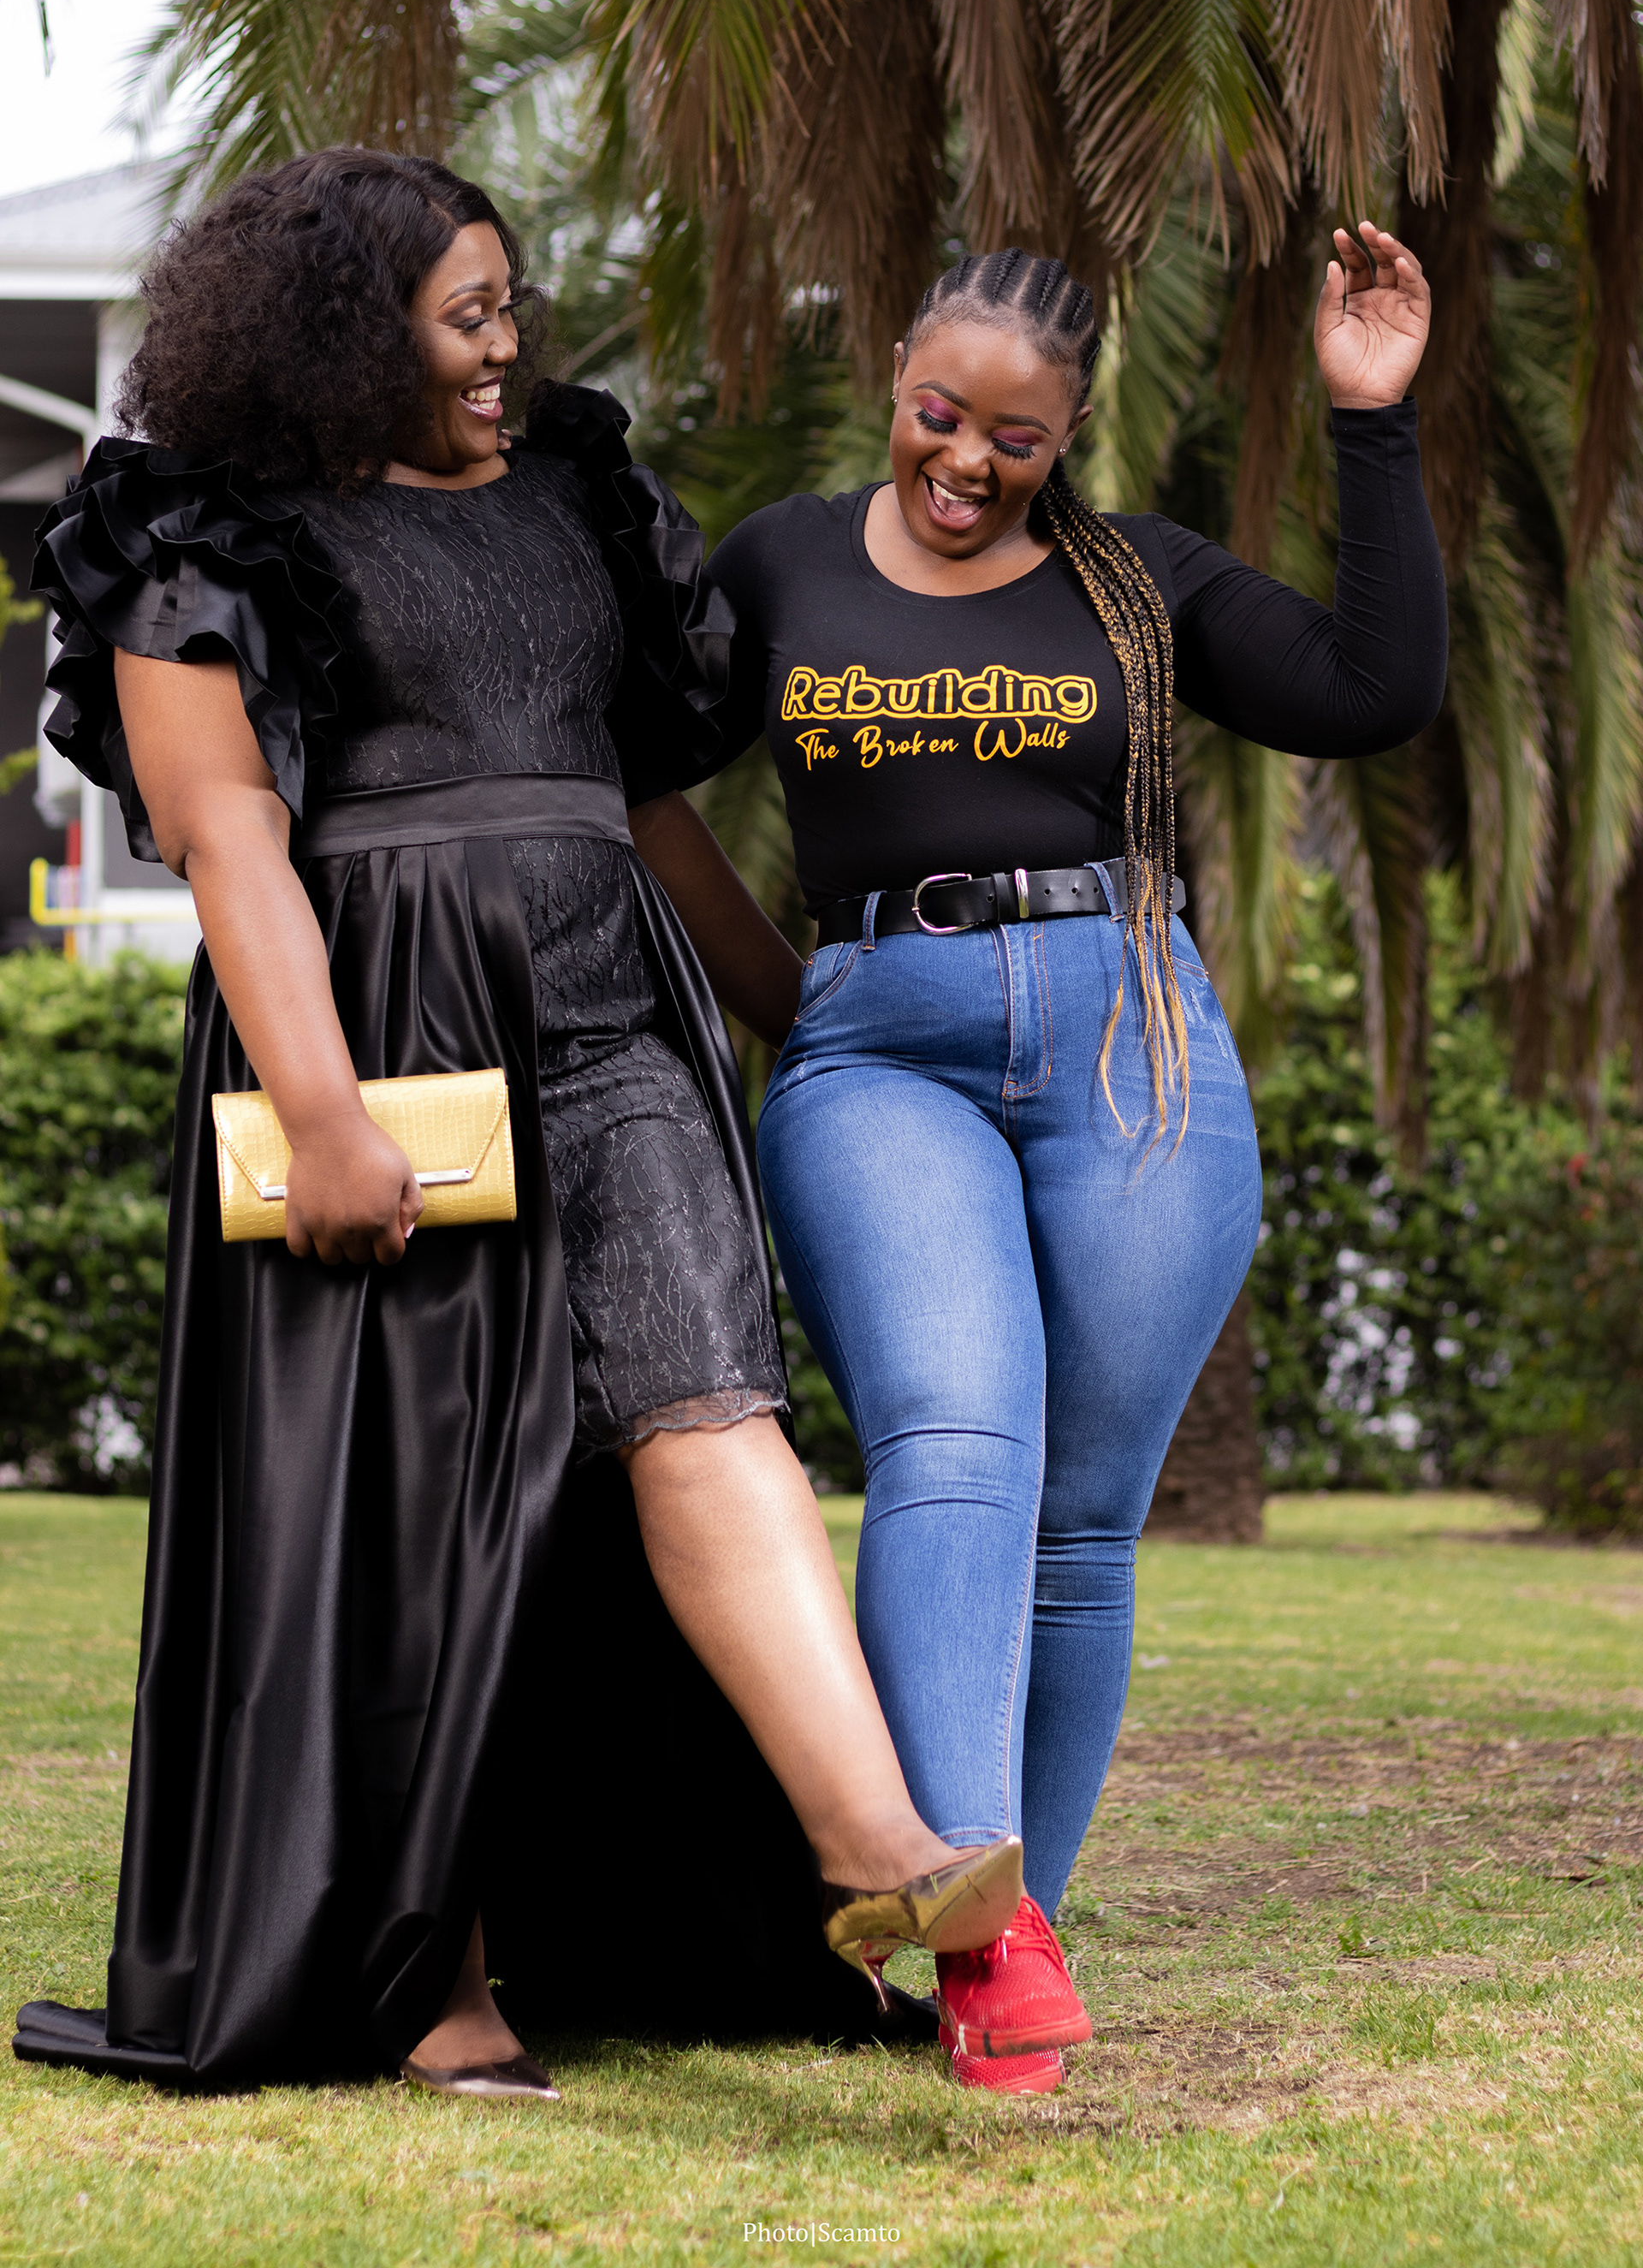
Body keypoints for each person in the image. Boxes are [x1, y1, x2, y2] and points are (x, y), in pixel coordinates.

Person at [11, 151, 1022, 2100]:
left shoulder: (571, 489)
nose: (506, 346)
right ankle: (430, 1971)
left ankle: (875, 1846)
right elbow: (227, 838)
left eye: (510, 305)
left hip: (613, 1005)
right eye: (466, 315)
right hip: (382, 1026)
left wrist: (797, 1007)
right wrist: (318, 1112)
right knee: (418, 1496)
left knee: (708, 1400)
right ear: (341, 331)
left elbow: (641, 801)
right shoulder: (196, 525)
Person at [693, 233, 1447, 2091]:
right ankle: (973, 1914)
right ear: (893, 374)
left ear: (1071, 436)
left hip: (1133, 1047)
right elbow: (636, 776)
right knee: (954, 1445)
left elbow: (1376, 692)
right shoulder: (781, 561)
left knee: (1083, 1521)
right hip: (882, 1055)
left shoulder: (1136, 581)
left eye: (1015, 441)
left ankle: (999, 1944)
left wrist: (1370, 420)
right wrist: (794, 998)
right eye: (938, 415)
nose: (965, 462)